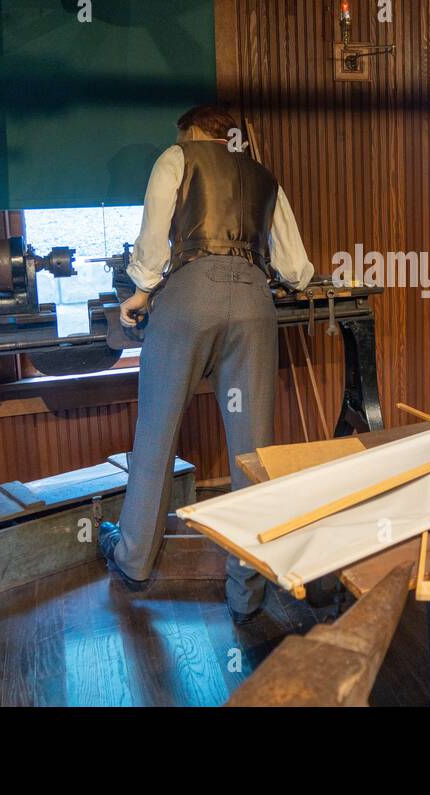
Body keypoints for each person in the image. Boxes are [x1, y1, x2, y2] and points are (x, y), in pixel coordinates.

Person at [99, 105, 314, 625]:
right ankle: (247, 592)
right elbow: (297, 270)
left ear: (192, 132)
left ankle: (133, 561)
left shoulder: (177, 157)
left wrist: (141, 290)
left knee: (156, 433)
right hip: (254, 305)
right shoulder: (265, 177)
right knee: (253, 450)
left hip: (189, 297)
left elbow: (153, 239)